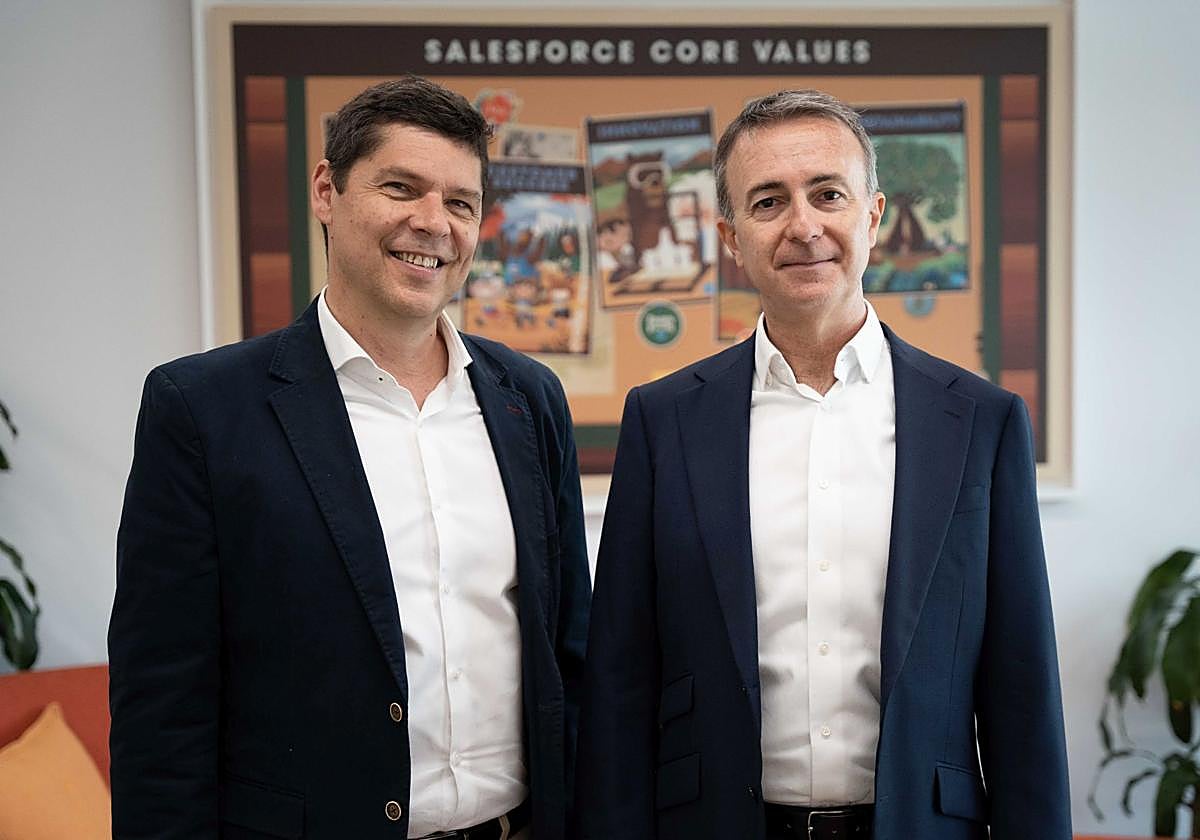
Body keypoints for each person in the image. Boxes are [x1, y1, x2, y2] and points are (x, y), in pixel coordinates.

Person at [574, 89, 1069, 840]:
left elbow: (1021, 684)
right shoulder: (663, 420)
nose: (803, 226)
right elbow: (620, 676)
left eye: (828, 194)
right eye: (768, 202)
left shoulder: (981, 422)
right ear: (731, 238)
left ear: (872, 216)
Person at [110, 76, 590, 840]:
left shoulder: (528, 399)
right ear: (326, 191)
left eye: (460, 202)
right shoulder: (202, 410)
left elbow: (572, 656)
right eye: (401, 188)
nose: (433, 222)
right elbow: (162, 707)